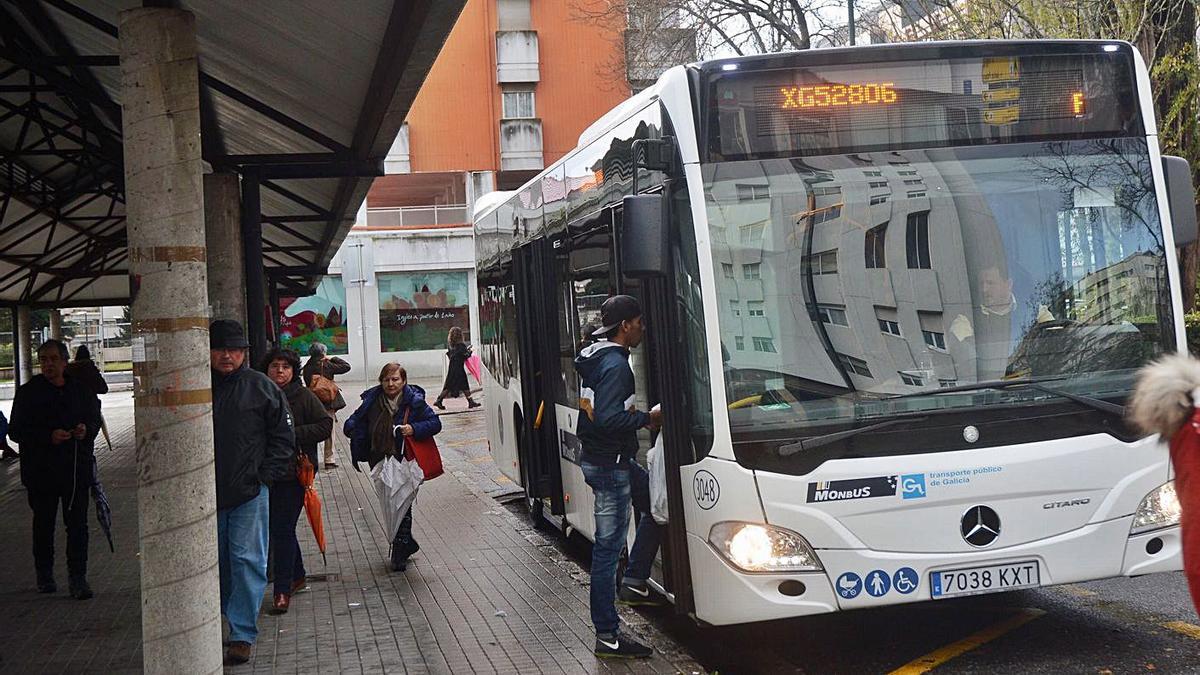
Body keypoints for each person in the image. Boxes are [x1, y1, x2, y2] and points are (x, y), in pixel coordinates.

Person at [574, 295, 663, 659]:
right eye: (639, 322)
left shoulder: (596, 358)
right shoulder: (616, 367)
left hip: (611, 460)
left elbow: (599, 414)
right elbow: (610, 418)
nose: (643, 328)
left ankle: (635, 579)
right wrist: (647, 419)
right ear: (625, 326)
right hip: (611, 466)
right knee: (607, 552)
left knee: (656, 506)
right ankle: (608, 636)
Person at [210, 320, 295, 664]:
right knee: (218, 564)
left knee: (247, 561)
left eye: (234, 349)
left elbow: (283, 437)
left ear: (244, 353)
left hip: (249, 493)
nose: (226, 356)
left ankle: (242, 633)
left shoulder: (261, 387)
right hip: (206, 497)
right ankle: (223, 621)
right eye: (220, 349)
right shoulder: (196, 388)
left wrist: (264, 477)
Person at [9, 339, 101, 600]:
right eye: (43, 360)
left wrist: (86, 430)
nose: (48, 364)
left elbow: (94, 418)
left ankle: (78, 577)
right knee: (43, 524)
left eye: (53, 359)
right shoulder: (28, 393)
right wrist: (47, 436)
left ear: (64, 362)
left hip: (74, 471)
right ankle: (45, 574)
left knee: (77, 526)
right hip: (41, 473)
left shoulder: (80, 391)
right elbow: (16, 431)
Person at [344, 363, 441, 571]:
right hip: (381, 460)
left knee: (402, 503)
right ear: (381, 381)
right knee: (390, 503)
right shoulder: (372, 401)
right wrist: (355, 432)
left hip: (406, 461)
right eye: (387, 379)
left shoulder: (413, 402)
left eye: (395, 379)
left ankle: (399, 551)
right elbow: (353, 422)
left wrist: (413, 428)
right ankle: (407, 543)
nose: (391, 383)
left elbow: (435, 423)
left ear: (403, 381)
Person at [263, 348, 331, 615]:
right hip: (266, 471)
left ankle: (282, 589)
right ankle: (298, 574)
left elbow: (324, 426)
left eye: (285, 367)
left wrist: (290, 434)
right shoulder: (260, 394)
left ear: (293, 371)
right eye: (275, 366)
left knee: (281, 528)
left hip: (294, 473)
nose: (280, 371)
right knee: (281, 528)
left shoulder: (302, 396)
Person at [302, 342, 350, 469]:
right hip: (328, 402)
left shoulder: (307, 367)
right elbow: (346, 366)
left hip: (312, 402)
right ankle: (329, 460)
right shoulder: (327, 364)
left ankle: (311, 458)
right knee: (329, 430)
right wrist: (333, 358)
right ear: (323, 353)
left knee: (312, 430)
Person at [433, 326, 479, 410]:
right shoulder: (461, 345)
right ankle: (470, 402)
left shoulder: (451, 346)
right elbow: (466, 356)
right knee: (464, 384)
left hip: (452, 368)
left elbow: (454, 355)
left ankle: (439, 400)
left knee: (449, 385)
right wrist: (470, 351)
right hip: (459, 369)